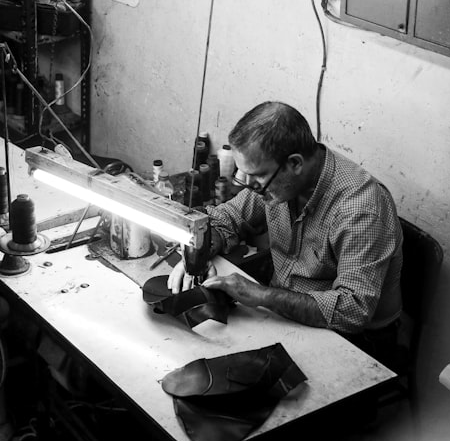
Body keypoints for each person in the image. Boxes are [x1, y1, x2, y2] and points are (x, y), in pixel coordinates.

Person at [168, 101, 403, 365]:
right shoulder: (281, 180)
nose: (248, 185)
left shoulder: (360, 209)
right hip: (284, 311)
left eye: (256, 177)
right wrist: (198, 251)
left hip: (356, 341)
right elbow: (228, 217)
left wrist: (260, 295)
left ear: (295, 163)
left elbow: (352, 311)